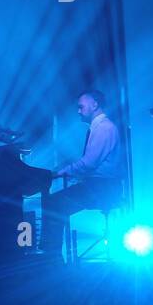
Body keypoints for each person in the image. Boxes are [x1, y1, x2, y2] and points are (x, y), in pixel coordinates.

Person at [41, 89, 124, 258]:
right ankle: (51, 253)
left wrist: (61, 173)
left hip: (103, 188)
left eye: (81, 107)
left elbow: (89, 163)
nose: (78, 111)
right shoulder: (99, 128)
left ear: (95, 104)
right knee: (56, 201)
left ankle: (51, 256)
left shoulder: (104, 128)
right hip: (99, 185)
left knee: (55, 203)